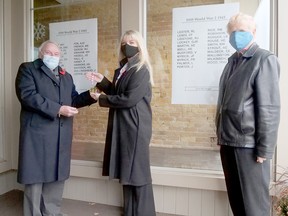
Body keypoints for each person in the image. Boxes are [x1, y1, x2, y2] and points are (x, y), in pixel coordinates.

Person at [15, 40, 97, 216]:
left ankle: (51, 212)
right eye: (49, 53)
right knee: (35, 178)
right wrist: (58, 109)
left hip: (61, 134)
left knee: (57, 175)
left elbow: (73, 99)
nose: (53, 56)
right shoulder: (28, 69)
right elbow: (28, 96)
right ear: (40, 53)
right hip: (37, 133)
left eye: (56, 54)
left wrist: (90, 96)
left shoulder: (66, 76)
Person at [215, 13, 280, 216]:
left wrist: (264, 149)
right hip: (229, 142)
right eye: (232, 32)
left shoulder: (264, 59)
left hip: (249, 147)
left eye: (241, 31)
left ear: (253, 32)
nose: (236, 35)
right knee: (238, 205)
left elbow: (269, 108)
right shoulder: (232, 62)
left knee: (254, 208)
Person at [87, 30, 156, 216]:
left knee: (139, 174)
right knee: (129, 173)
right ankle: (131, 212)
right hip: (124, 125)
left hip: (135, 126)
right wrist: (102, 81)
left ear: (140, 45)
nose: (128, 45)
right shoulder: (124, 68)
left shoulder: (141, 69)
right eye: (125, 42)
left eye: (132, 41)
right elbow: (117, 91)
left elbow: (128, 99)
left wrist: (102, 99)